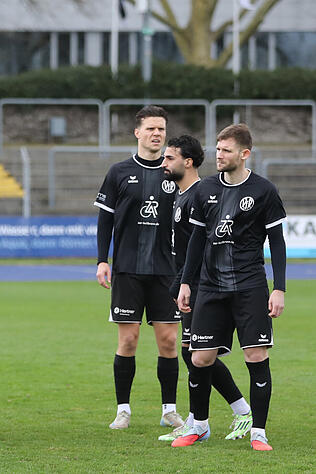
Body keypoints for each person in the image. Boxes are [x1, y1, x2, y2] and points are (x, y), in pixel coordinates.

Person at [172, 124, 286, 451]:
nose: (219, 156)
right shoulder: (205, 188)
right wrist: (186, 283)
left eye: (226, 151)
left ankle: (258, 432)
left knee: (256, 354)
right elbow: (195, 240)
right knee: (200, 357)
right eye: (218, 150)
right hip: (209, 286)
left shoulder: (264, 191)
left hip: (249, 285)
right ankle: (200, 426)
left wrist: (279, 288)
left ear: (244, 154)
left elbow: (277, 242)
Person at [94, 105, 183, 430]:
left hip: (166, 271)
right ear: (137, 132)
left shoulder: (175, 172)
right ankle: (123, 410)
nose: (156, 134)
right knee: (128, 340)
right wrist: (103, 259)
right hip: (128, 270)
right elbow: (105, 219)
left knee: (169, 342)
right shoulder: (118, 172)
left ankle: (169, 410)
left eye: (161, 128)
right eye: (150, 128)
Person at [158, 135, 252, 442]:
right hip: (188, 283)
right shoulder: (181, 195)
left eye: (169, 158)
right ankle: (205, 418)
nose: (163, 163)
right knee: (193, 354)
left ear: (187, 162)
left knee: (197, 353)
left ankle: (230, 414)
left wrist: (182, 283)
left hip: (203, 285)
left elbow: (205, 248)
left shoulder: (204, 193)